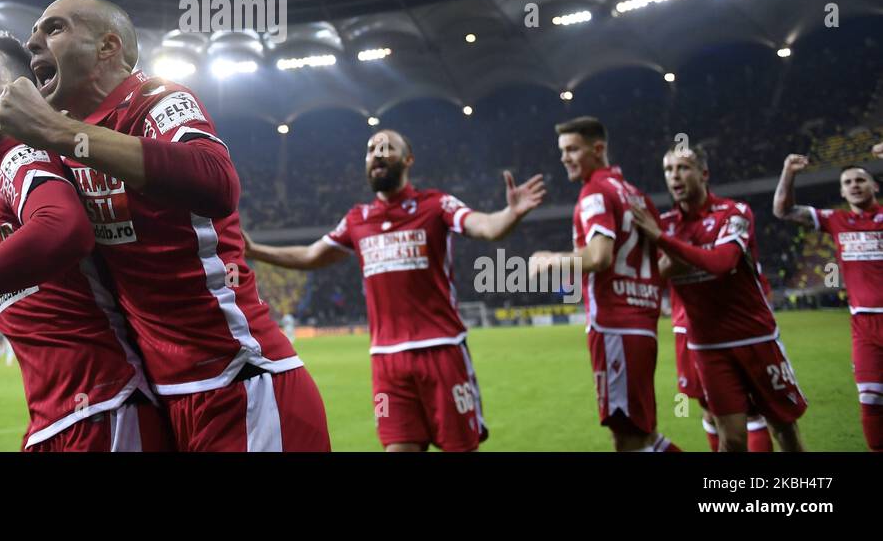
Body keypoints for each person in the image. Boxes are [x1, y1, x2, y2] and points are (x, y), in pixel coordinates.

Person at [0, 0, 330, 451]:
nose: (33, 42)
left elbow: (216, 182)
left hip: (240, 382)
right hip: (166, 399)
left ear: (108, 47)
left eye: (53, 29)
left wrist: (57, 130)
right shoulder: (67, 143)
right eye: (34, 33)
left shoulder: (156, 99)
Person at [0, 30, 169, 451]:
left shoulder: (27, 157)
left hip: (106, 410)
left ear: (23, 92)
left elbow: (63, 230)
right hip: (61, 421)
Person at [244, 129, 545, 452]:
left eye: (388, 147)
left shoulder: (436, 204)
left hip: (441, 350)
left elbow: (484, 226)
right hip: (387, 360)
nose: (378, 153)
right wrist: (256, 250)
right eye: (371, 149)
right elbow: (310, 255)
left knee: (461, 447)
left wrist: (510, 214)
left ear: (408, 159)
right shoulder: (358, 219)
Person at [641, 145, 804, 451]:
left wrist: (663, 242)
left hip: (755, 337)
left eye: (683, 168)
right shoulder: (666, 224)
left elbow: (722, 263)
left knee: (784, 428)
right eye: (668, 170)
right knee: (731, 439)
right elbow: (649, 277)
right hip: (708, 346)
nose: (675, 176)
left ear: (704, 174)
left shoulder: (734, 212)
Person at [529, 116, 677, 452]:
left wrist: (549, 259)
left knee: (629, 439)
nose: (564, 157)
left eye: (572, 149)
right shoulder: (637, 196)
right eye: (562, 150)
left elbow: (599, 257)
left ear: (598, 149)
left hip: (615, 328)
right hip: (642, 325)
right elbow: (666, 261)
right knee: (643, 435)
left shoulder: (594, 192)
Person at [774, 148, 883, 451]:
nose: (854, 185)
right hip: (863, 324)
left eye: (861, 179)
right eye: (847, 182)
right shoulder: (837, 219)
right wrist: (789, 172)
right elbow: (783, 211)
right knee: (870, 398)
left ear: (875, 186)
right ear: (841, 191)